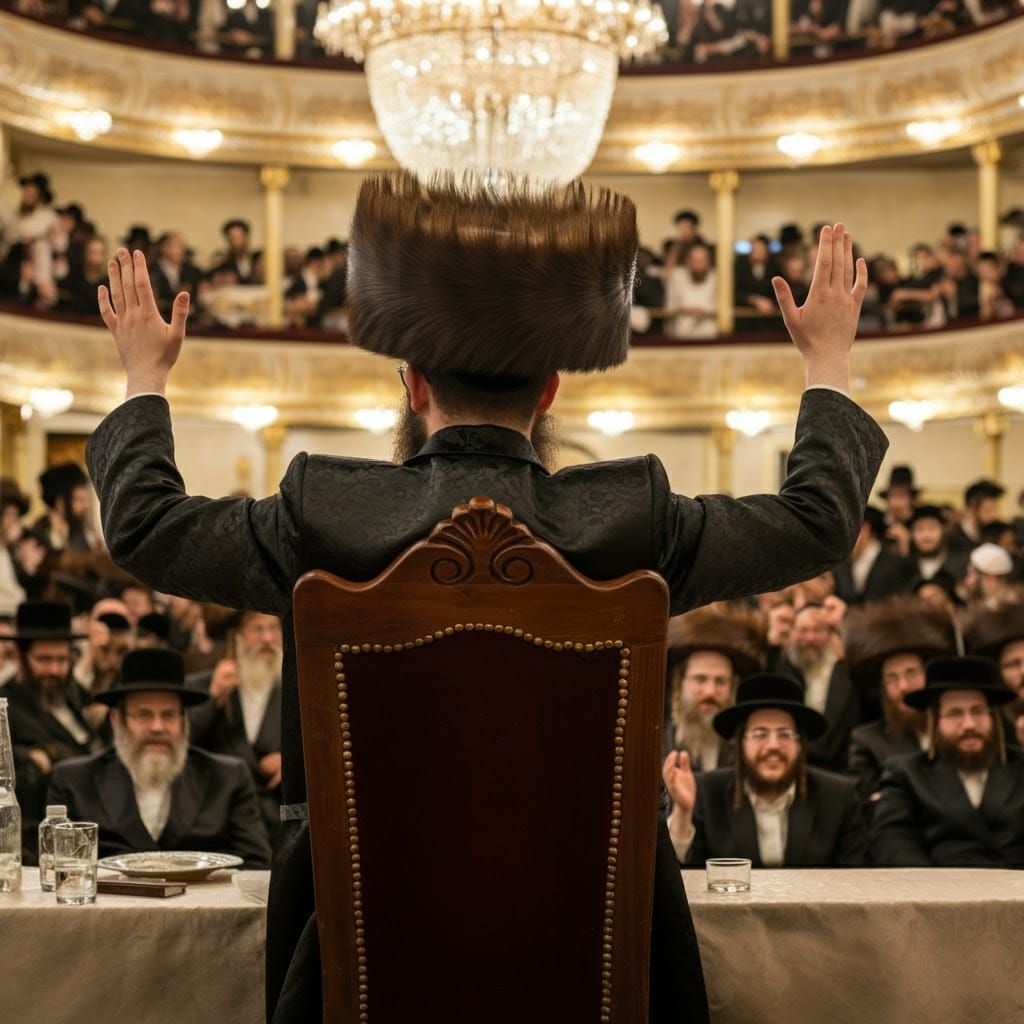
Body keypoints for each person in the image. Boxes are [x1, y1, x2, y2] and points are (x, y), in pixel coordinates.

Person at [86, 175, 885, 1024]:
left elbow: (143, 525)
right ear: (548, 393)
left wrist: (146, 372)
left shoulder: (324, 513)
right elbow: (817, 522)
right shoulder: (631, 518)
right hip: (601, 946)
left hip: (361, 946)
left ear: (412, 385)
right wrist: (827, 359)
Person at [47, 648, 271, 868]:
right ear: (116, 719)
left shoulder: (227, 779)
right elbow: (58, 871)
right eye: (144, 715)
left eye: (169, 715)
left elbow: (257, 867)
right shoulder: (74, 782)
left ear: (185, 721)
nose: (157, 727)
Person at [663, 675, 868, 866]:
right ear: (741, 743)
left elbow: (853, 881)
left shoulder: (838, 797)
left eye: (785, 735)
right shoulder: (707, 792)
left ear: (800, 745)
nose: (773, 746)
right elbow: (682, 873)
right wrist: (682, 812)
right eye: (760, 734)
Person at [871, 656, 1024, 867]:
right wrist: (934, 892)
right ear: (935, 721)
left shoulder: (1020, 766)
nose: (969, 724)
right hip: (939, 894)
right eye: (955, 713)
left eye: (978, 711)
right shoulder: (907, 773)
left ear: (993, 717)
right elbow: (893, 844)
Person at [0, 601, 98, 855]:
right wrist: (28, 754)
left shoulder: (76, 697)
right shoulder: (6, 706)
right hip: (43, 842)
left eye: (62, 660)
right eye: (44, 660)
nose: (55, 670)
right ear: (21, 657)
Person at [844, 597, 957, 802]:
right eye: (892, 678)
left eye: (911, 673)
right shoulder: (867, 742)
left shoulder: (959, 727)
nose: (903, 686)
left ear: (928, 675)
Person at [187, 610, 283, 841]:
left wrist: (294, 761)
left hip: (280, 822)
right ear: (236, 637)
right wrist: (213, 699)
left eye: (274, 629)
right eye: (258, 629)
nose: (268, 639)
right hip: (219, 825)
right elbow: (183, 747)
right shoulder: (201, 685)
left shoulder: (297, 687)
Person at [663, 606, 766, 766]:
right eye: (700, 679)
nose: (710, 691)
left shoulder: (749, 753)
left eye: (720, 681)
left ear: (733, 686)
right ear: (679, 684)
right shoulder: (654, 745)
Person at [777, 602, 860, 770]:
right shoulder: (782, 665)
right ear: (792, 633)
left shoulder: (848, 668)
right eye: (803, 630)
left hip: (843, 770)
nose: (810, 638)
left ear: (831, 634)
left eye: (817, 630)